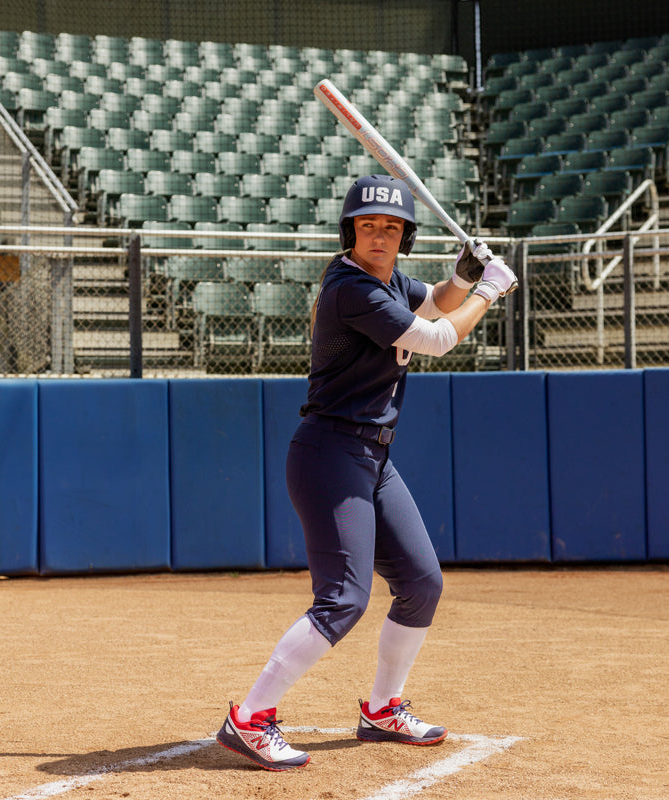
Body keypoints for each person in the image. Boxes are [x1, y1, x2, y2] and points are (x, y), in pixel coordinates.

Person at [215, 174, 517, 771]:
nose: (379, 236)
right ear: (350, 232)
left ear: (403, 236)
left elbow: (429, 305)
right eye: (368, 225)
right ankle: (249, 717)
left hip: (371, 458)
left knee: (422, 582)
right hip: (330, 455)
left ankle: (382, 711)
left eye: (391, 227)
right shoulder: (350, 288)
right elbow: (434, 337)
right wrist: (490, 289)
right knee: (343, 599)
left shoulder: (388, 281)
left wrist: (460, 278)